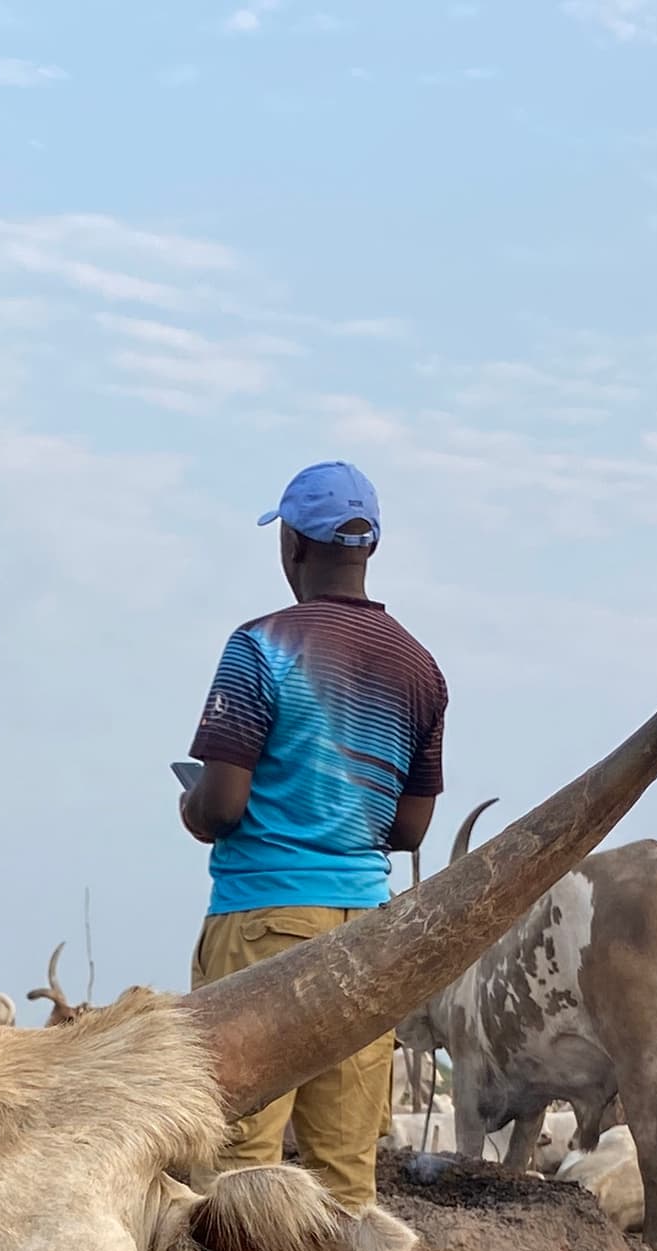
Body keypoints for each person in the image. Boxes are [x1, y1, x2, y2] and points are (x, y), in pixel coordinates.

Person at [179, 460, 447, 1212]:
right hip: (367, 932)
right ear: (368, 548)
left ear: (293, 544)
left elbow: (224, 808)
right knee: (343, 1179)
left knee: (236, 1164)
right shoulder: (419, 668)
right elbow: (410, 826)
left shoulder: (260, 648)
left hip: (264, 925)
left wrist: (192, 808)